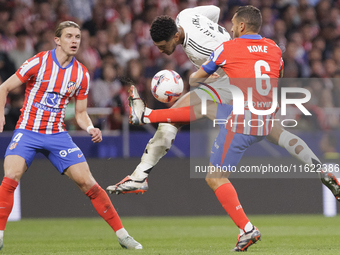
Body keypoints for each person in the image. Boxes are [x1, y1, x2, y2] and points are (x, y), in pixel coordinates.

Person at [106, 5, 340, 203]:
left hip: (232, 82)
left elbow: (210, 65)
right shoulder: (184, 17)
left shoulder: (201, 47)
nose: (160, 50)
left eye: (161, 46)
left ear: (175, 37)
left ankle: (142, 155)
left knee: (178, 113)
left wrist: (208, 71)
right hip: (256, 86)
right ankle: (319, 167)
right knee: (273, 131)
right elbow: (215, 10)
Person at [0, 21, 142, 250]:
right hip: (28, 131)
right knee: (11, 176)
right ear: (57, 40)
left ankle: (123, 235)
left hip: (57, 134)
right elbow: (3, 88)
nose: (75, 40)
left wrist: (90, 128)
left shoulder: (81, 74)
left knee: (88, 182)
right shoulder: (39, 61)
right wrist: (0, 116)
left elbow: (81, 113)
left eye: (77, 36)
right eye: (69, 36)